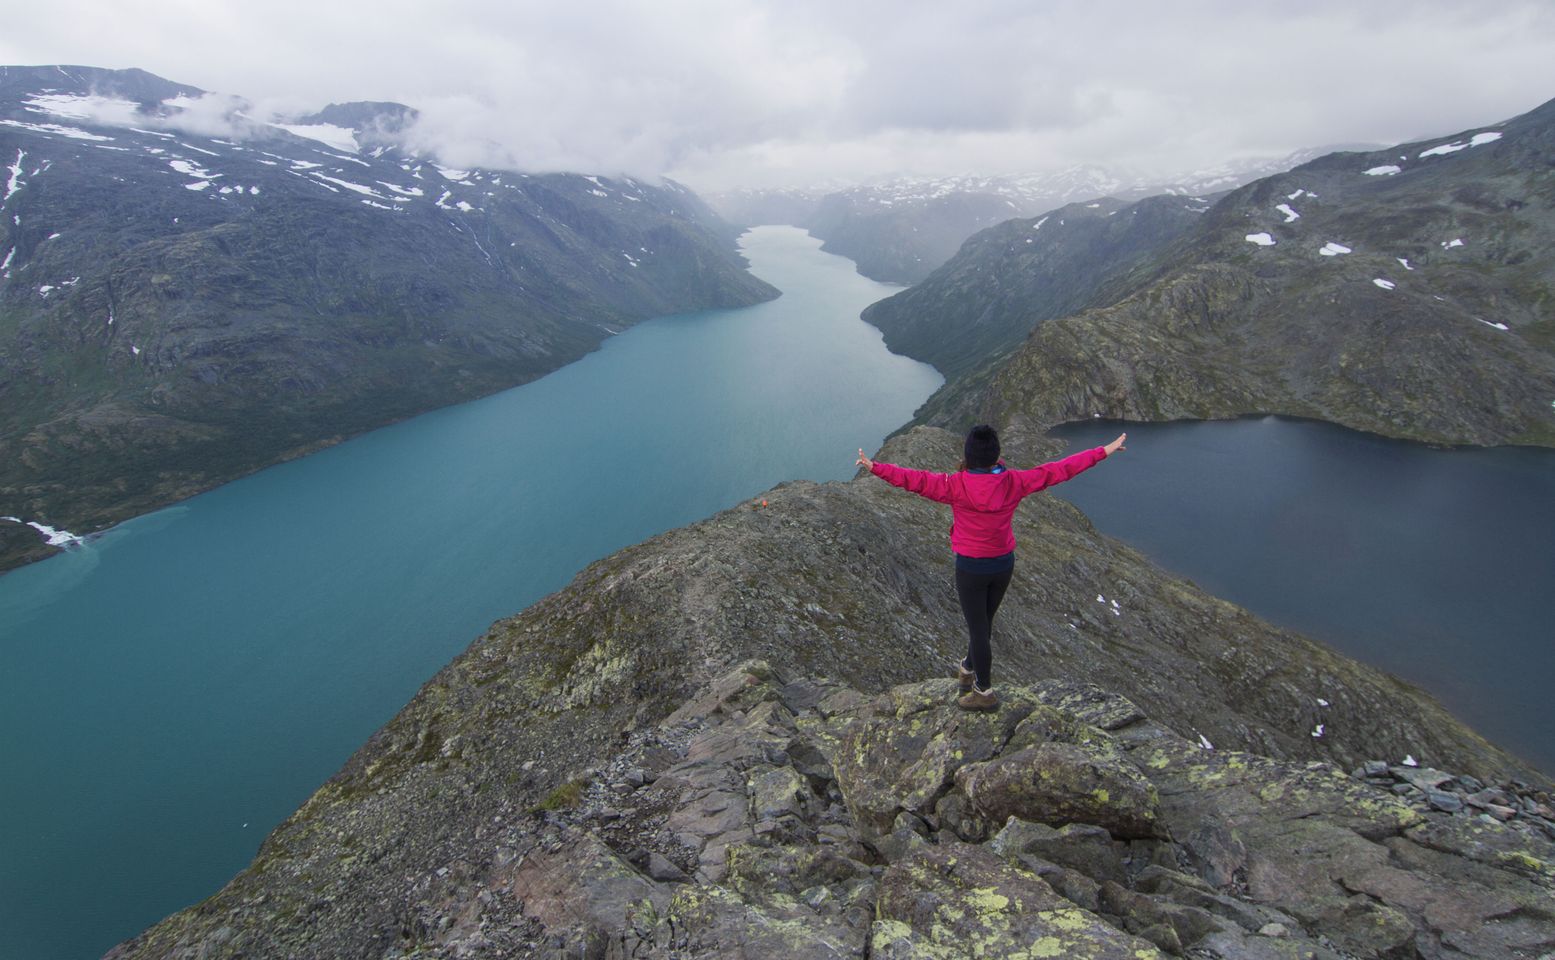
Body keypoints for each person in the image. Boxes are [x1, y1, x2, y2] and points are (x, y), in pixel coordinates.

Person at [856, 425, 1126, 711]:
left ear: (968, 456)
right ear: (996, 455)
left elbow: (915, 480)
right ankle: (968, 667)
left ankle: (983, 691)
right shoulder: (1014, 482)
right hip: (1002, 565)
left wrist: (875, 467)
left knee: (979, 629)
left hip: (971, 568)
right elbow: (1061, 469)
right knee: (983, 623)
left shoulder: (954, 485)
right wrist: (1103, 451)